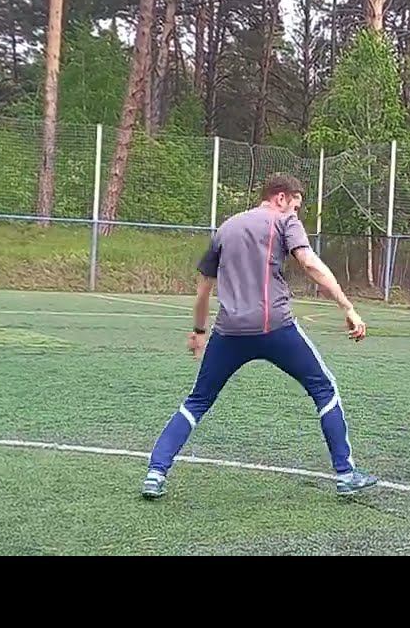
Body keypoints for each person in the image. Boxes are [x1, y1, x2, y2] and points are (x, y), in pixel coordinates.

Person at [141, 173, 378, 499]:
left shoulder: (225, 229)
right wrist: (348, 307)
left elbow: (203, 291)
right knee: (324, 389)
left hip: (229, 332)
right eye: (296, 205)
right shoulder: (284, 221)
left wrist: (198, 330)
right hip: (276, 328)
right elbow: (309, 262)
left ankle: (155, 473)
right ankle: (346, 474)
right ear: (281, 198)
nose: (296, 212)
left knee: (197, 400)